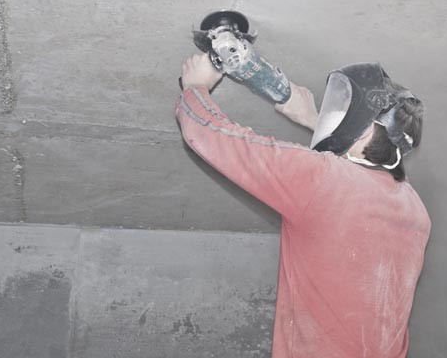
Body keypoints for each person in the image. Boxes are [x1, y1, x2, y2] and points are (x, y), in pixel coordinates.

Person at [177, 53, 430, 358]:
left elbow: (215, 137)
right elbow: (363, 169)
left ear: (364, 129)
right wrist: (314, 119)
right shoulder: (416, 211)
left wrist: (196, 87)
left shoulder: (322, 180)